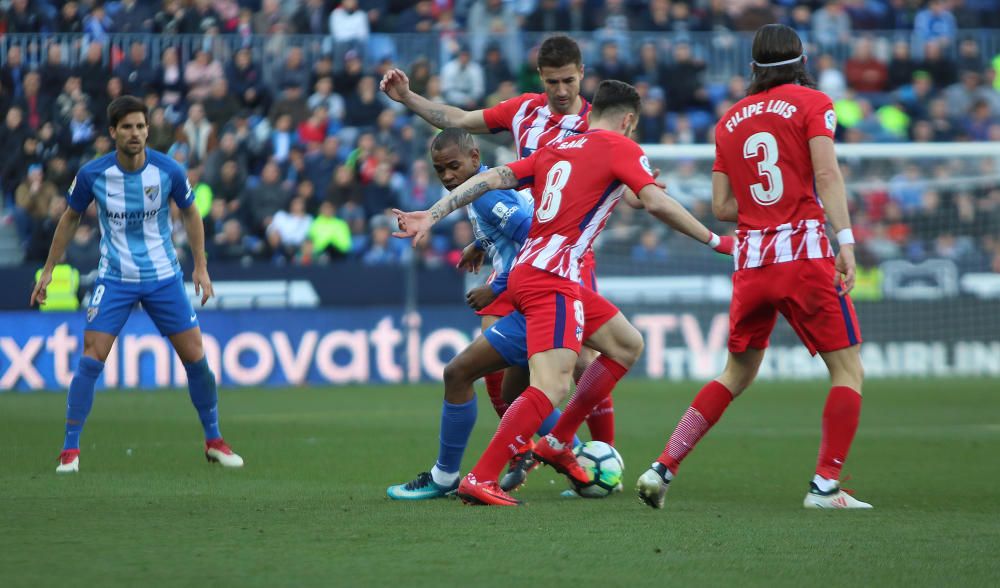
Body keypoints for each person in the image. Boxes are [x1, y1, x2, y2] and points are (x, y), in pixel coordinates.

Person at [393, 80, 734, 505]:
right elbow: (658, 203)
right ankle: (481, 477)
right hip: (552, 279)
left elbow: (492, 179)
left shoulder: (557, 148)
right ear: (628, 120)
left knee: (626, 344)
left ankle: (557, 441)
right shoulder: (622, 147)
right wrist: (717, 242)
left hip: (538, 274)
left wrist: (434, 212)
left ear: (591, 114)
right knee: (550, 386)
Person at [635, 24, 870, 511]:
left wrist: (763, 213)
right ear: (802, 61)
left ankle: (663, 465)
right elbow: (826, 173)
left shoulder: (730, 121)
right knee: (848, 371)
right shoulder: (813, 103)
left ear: (753, 68)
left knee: (734, 374)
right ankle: (825, 486)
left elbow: (722, 206)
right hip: (804, 256)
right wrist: (845, 240)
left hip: (752, 263)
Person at [381, 35, 617, 466]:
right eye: (552, 82)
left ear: (582, 73)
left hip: (568, 254)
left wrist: (642, 189)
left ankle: (601, 458)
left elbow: (619, 174)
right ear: (541, 80)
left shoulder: (597, 126)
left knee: (584, 363)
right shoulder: (525, 109)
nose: (561, 91)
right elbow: (456, 118)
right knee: (488, 362)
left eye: (568, 80)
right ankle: (523, 452)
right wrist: (408, 97)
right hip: (520, 251)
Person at [30, 96, 243, 474]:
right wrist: (48, 269)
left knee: (197, 358)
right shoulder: (94, 174)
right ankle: (70, 450)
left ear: (148, 130)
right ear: (113, 132)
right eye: (127, 127)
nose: (135, 133)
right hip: (115, 277)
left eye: (141, 127)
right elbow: (70, 218)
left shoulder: (168, 171)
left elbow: (192, 213)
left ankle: (214, 440)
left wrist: (201, 266)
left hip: (163, 277)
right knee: (91, 357)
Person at [386, 128, 584, 500]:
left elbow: (533, 239)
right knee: (518, 391)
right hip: (540, 294)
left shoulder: (486, 197)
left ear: (476, 159)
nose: (447, 177)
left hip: (537, 295)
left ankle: (447, 477)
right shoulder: (488, 193)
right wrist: (481, 243)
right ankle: (583, 462)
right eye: (439, 170)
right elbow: (520, 224)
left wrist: (496, 286)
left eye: (453, 167)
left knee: (462, 373)